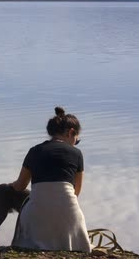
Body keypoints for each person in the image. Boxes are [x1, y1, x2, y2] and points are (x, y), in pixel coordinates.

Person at [10, 106, 91, 252]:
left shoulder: (34, 151)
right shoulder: (76, 153)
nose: (75, 144)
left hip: (37, 216)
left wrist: (9, 186)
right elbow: (76, 192)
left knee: (28, 204)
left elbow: (20, 186)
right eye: (76, 140)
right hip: (68, 216)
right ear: (71, 132)